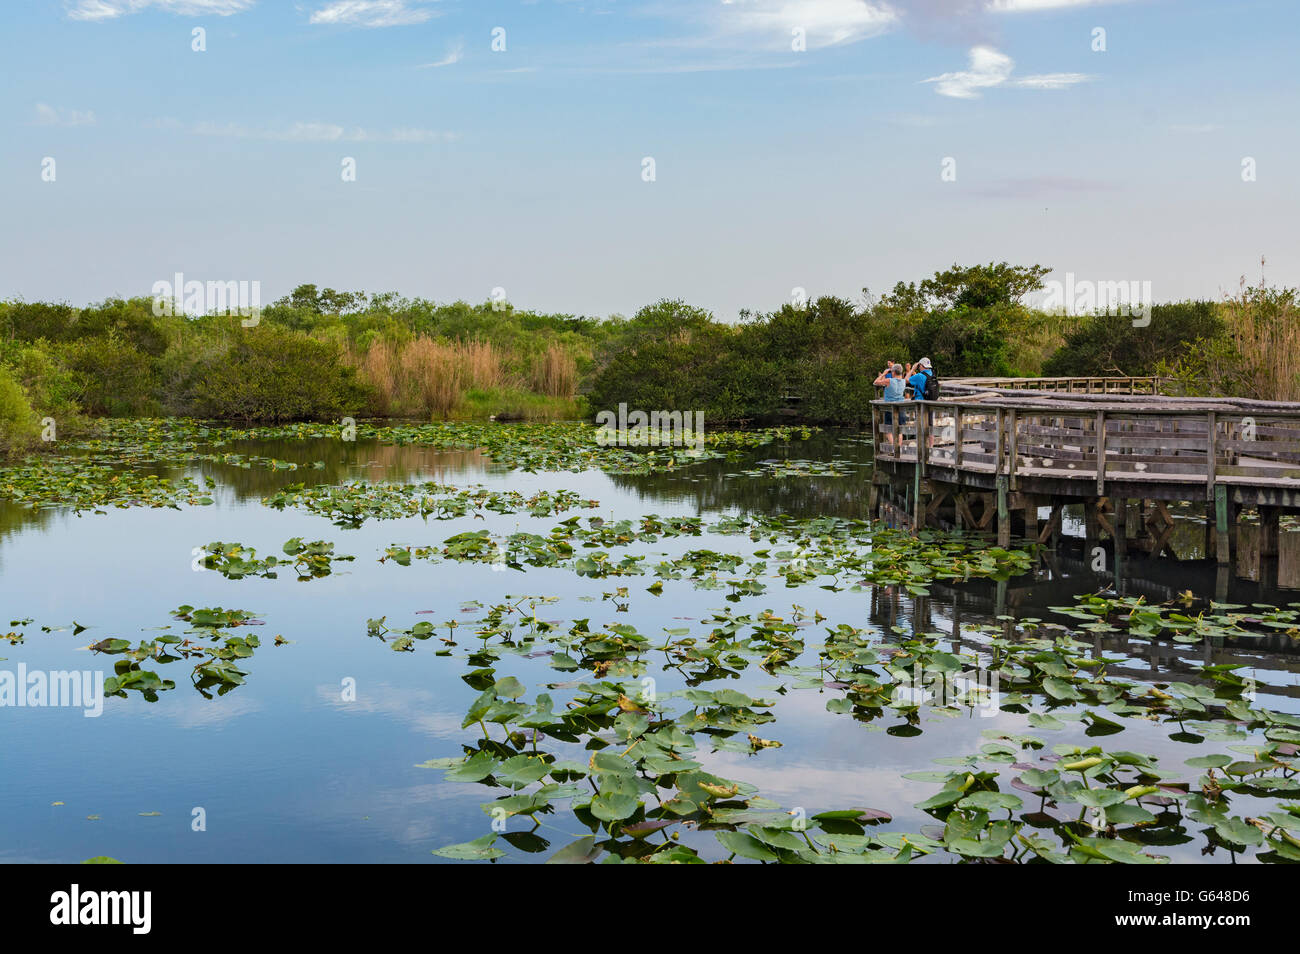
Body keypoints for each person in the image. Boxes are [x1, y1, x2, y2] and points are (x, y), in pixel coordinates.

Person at [873, 362, 906, 445]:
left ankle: (895, 448)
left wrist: (883, 373)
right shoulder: (903, 381)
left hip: (890, 407)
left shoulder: (889, 381)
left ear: (893, 372)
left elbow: (875, 382)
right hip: (901, 407)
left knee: (888, 430)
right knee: (900, 430)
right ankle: (899, 448)